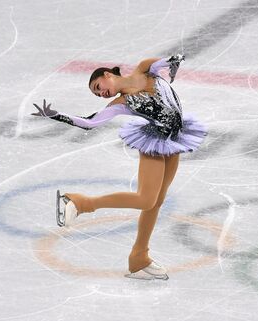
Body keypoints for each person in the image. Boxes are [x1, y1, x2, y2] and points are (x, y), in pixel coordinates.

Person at [31, 55, 207, 280]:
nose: (100, 93)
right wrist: (55, 115)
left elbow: (161, 62)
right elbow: (90, 122)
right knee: (146, 199)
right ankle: (79, 202)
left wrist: (174, 60)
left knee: (156, 202)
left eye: (98, 87)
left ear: (107, 74)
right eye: (97, 94)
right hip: (154, 143)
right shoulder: (120, 104)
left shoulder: (143, 70)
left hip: (175, 139)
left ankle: (139, 259)